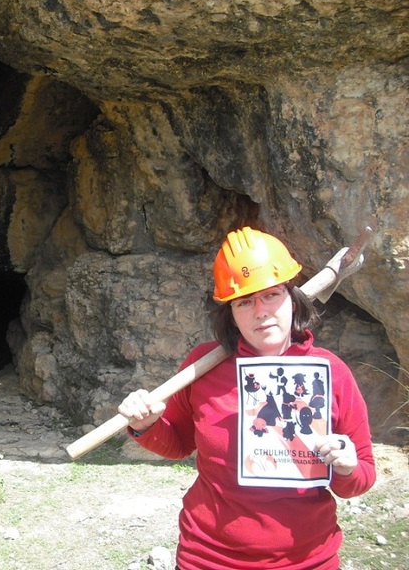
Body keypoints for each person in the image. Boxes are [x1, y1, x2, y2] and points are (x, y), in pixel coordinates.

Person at [118, 227, 375, 570]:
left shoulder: (331, 373)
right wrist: (146, 425)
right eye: (244, 301)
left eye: (271, 295)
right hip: (208, 558)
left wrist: (347, 466)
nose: (260, 311)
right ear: (231, 312)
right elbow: (178, 444)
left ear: (292, 297)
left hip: (309, 560)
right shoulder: (201, 367)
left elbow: (362, 477)